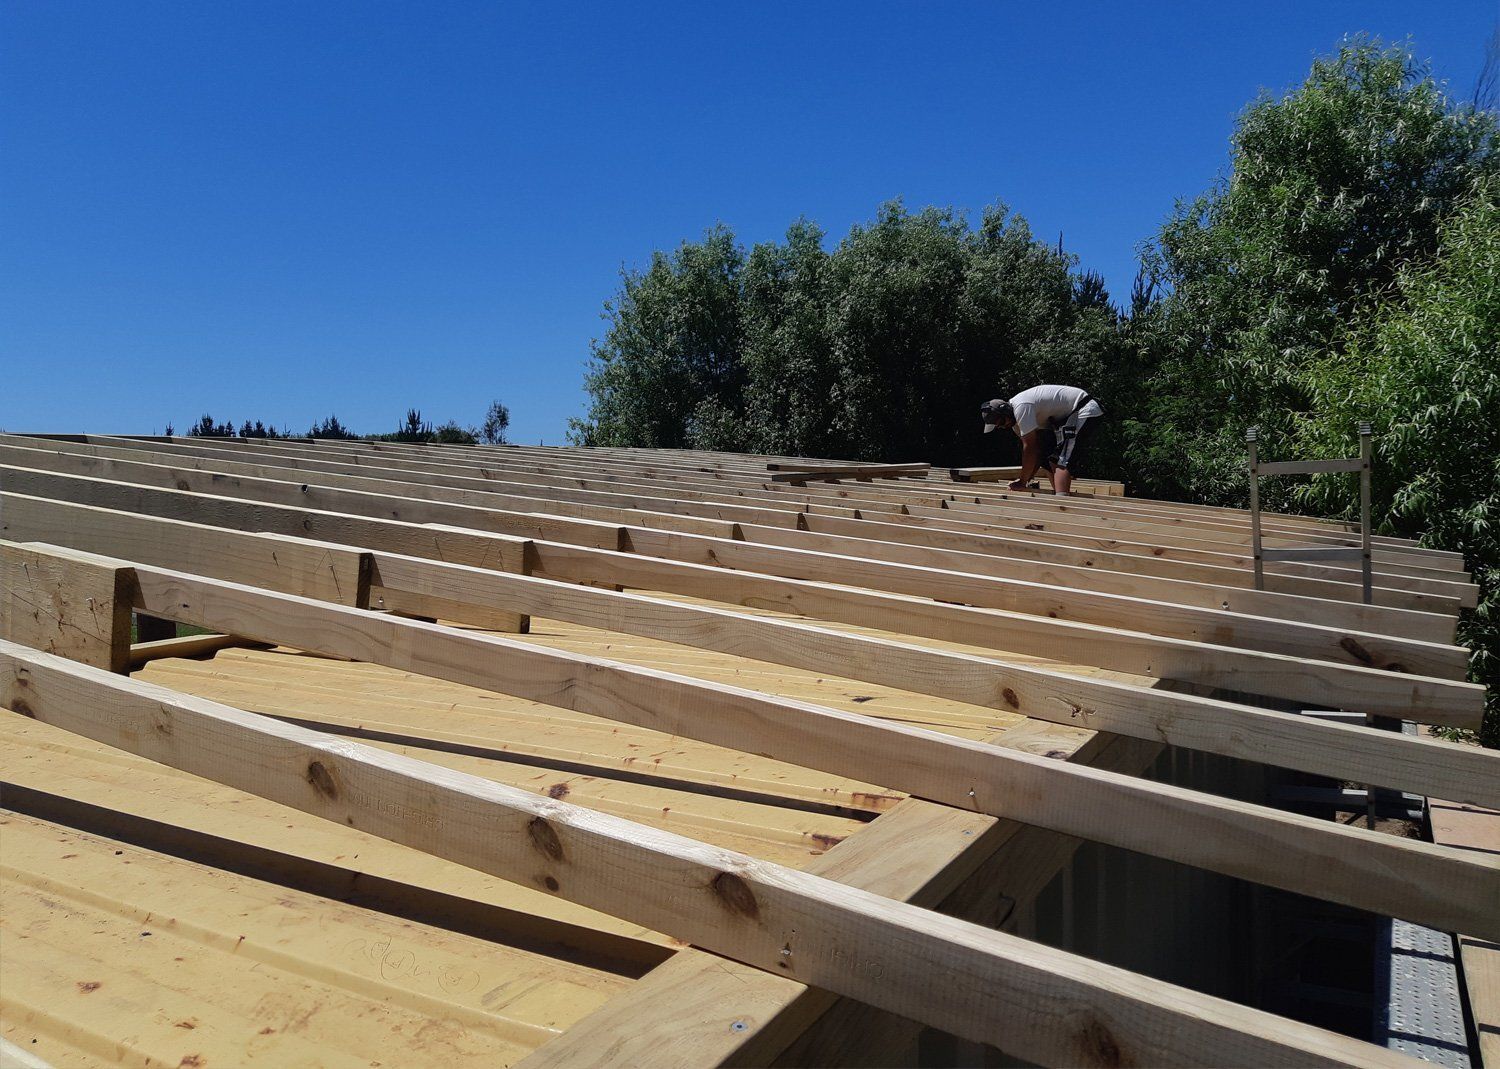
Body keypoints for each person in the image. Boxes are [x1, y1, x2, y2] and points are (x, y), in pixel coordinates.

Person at [980, 385, 1104, 494]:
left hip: (1083, 409)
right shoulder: (1017, 426)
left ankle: (1062, 504)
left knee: (1060, 460)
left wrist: (1022, 481)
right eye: (998, 426)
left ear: (1006, 411)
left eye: (1001, 422)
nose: (1003, 426)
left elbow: (1029, 448)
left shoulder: (1021, 407)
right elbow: (1037, 451)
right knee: (1048, 458)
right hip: (1068, 417)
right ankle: (1059, 495)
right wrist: (1027, 479)